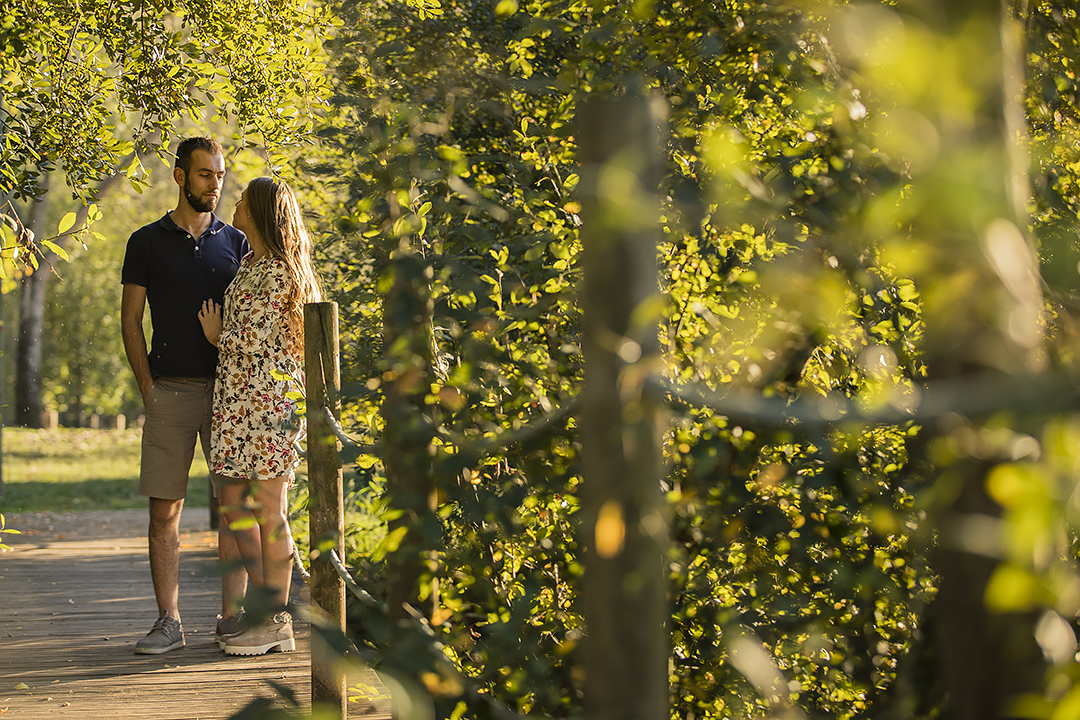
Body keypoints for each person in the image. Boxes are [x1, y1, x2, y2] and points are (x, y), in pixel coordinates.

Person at [121, 136, 252, 654]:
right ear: (180, 176)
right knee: (164, 511)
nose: (214, 185)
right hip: (169, 391)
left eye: (220, 176)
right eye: (204, 175)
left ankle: (232, 619)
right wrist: (148, 387)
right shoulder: (145, 242)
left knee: (234, 508)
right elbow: (131, 321)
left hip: (229, 396)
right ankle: (168, 623)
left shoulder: (237, 243)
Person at [197, 175, 321, 655]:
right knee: (233, 502)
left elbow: (252, 342)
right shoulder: (250, 264)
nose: (236, 205)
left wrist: (215, 335)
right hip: (235, 404)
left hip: (269, 406)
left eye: (244, 201)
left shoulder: (281, 273)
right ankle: (266, 611)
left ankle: (274, 619)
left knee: (268, 509)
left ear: (262, 212)